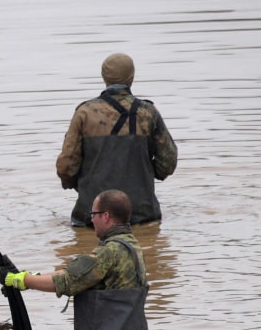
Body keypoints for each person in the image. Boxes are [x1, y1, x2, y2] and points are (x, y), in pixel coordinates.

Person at [0, 189, 149, 330]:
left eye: (94, 214)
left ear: (106, 216)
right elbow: (72, 273)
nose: (91, 219)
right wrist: (30, 277)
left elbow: (66, 281)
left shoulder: (109, 252)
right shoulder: (133, 246)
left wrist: (20, 281)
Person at [56, 53, 177, 227]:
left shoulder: (84, 113)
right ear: (132, 78)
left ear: (104, 77)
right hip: (142, 214)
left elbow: (66, 166)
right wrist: (147, 174)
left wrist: (76, 184)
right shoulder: (148, 113)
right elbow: (168, 162)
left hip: (93, 217)